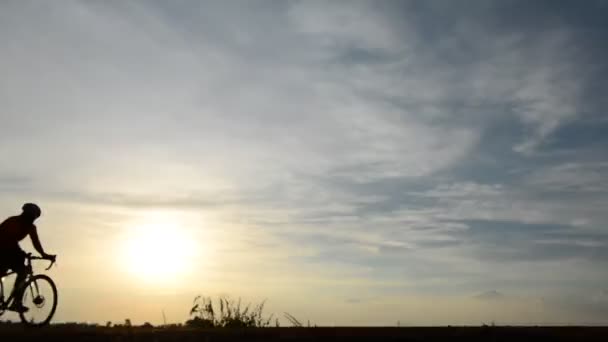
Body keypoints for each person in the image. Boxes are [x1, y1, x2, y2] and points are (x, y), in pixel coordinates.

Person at [0, 203, 56, 313]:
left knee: (22, 271)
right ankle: (16, 302)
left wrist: (44, 255)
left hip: (9, 251)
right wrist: (20, 253)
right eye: (30, 215)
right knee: (18, 270)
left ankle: (16, 302)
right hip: (2, 248)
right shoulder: (14, 221)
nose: (31, 218)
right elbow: (8, 239)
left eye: (33, 217)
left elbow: (36, 243)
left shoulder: (31, 227)